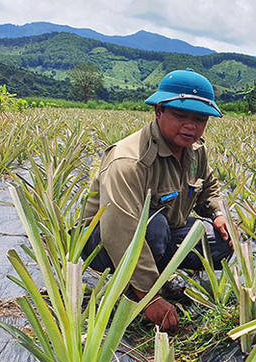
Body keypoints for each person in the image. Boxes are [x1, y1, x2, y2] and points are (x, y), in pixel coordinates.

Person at [82, 68, 233, 332]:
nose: (190, 125)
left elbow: (209, 187)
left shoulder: (195, 151)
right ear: (159, 111)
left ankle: (157, 277)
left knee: (219, 243)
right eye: (180, 115)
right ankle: (136, 289)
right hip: (106, 244)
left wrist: (218, 213)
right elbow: (119, 230)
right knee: (155, 227)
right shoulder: (129, 161)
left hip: (162, 234)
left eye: (200, 119)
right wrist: (149, 298)